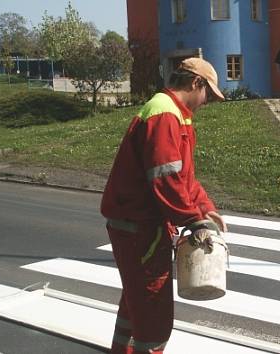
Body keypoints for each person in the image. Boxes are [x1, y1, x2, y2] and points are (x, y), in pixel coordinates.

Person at [100, 57, 228, 354]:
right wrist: (193, 220)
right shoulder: (165, 115)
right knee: (154, 317)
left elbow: (183, 177)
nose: (207, 101)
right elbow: (166, 177)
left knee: (135, 303)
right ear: (196, 83)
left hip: (137, 226)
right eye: (208, 93)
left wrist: (204, 208)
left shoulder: (172, 113)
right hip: (141, 229)